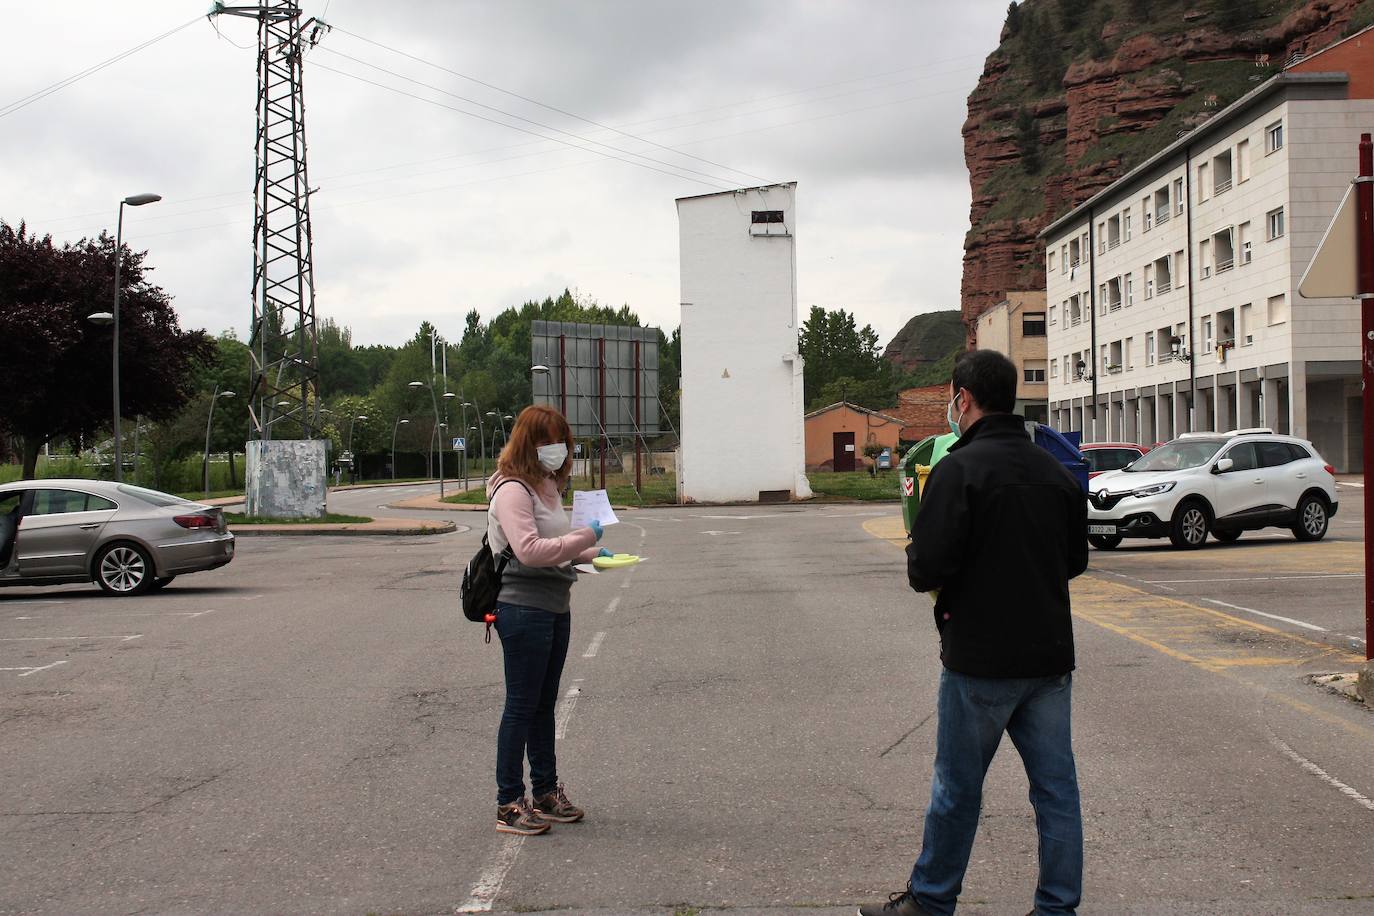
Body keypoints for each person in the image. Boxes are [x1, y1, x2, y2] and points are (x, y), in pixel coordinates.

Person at [861, 350, 1089, 916]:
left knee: (957, 789)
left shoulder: (957, 470)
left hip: (979, 661)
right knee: (1056, 791)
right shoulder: (1054, 473)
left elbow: (925, 570)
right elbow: (1075, 561)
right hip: (1048, 658)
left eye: (953, 400)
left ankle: (932, 902)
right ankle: (1058, 907)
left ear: (963, 399)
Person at [486, 404, 611, 836]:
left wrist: (592, 554)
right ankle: (508, 803)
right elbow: (530, 550)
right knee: (521, 706)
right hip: (523, 608)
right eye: (548, 441)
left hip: (555, 605)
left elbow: (557, 545)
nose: (557, 449)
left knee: (543, 704)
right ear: (528, 442)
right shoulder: (512, 490)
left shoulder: (546, 486)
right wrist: (586, 536)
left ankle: (544, 791)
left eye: (562, 441)